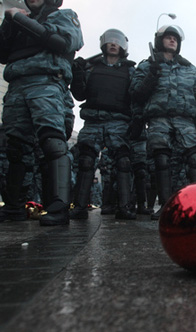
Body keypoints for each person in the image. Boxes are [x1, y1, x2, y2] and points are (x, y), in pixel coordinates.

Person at [0, 0, 83, 225]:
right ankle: (14, 207)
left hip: (46, 82)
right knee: (14, 148)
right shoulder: (18, 20)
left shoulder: (63, 15)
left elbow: (61, 42)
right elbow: (2, 53)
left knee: (52, 142)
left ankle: (59, 207)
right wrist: (10, 23)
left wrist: (19, 19)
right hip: (17, 85)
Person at [129, 25, 196, 220]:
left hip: (185, 119)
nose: (172, 40)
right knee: (161, 161)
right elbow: (136, 94)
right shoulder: (147, 66)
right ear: (159, 41)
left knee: (194, 160)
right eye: (168, 37)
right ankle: (165, 205)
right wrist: (151, 75)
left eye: (175, 38)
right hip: (158, 118)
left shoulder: (190, 68)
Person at [70, 28, 136, 220]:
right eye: (110, 40)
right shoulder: (91, 68)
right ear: (104, 44)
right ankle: (80, 206)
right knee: (86, 161)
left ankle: (125, 207)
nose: (113, 43)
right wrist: (77, 73)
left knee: (123, 162)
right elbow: (79, 94)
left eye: (117, 41)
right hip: (93, 120)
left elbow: (135, 97)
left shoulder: (129, 70)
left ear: (122, 45)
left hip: (119, 120)